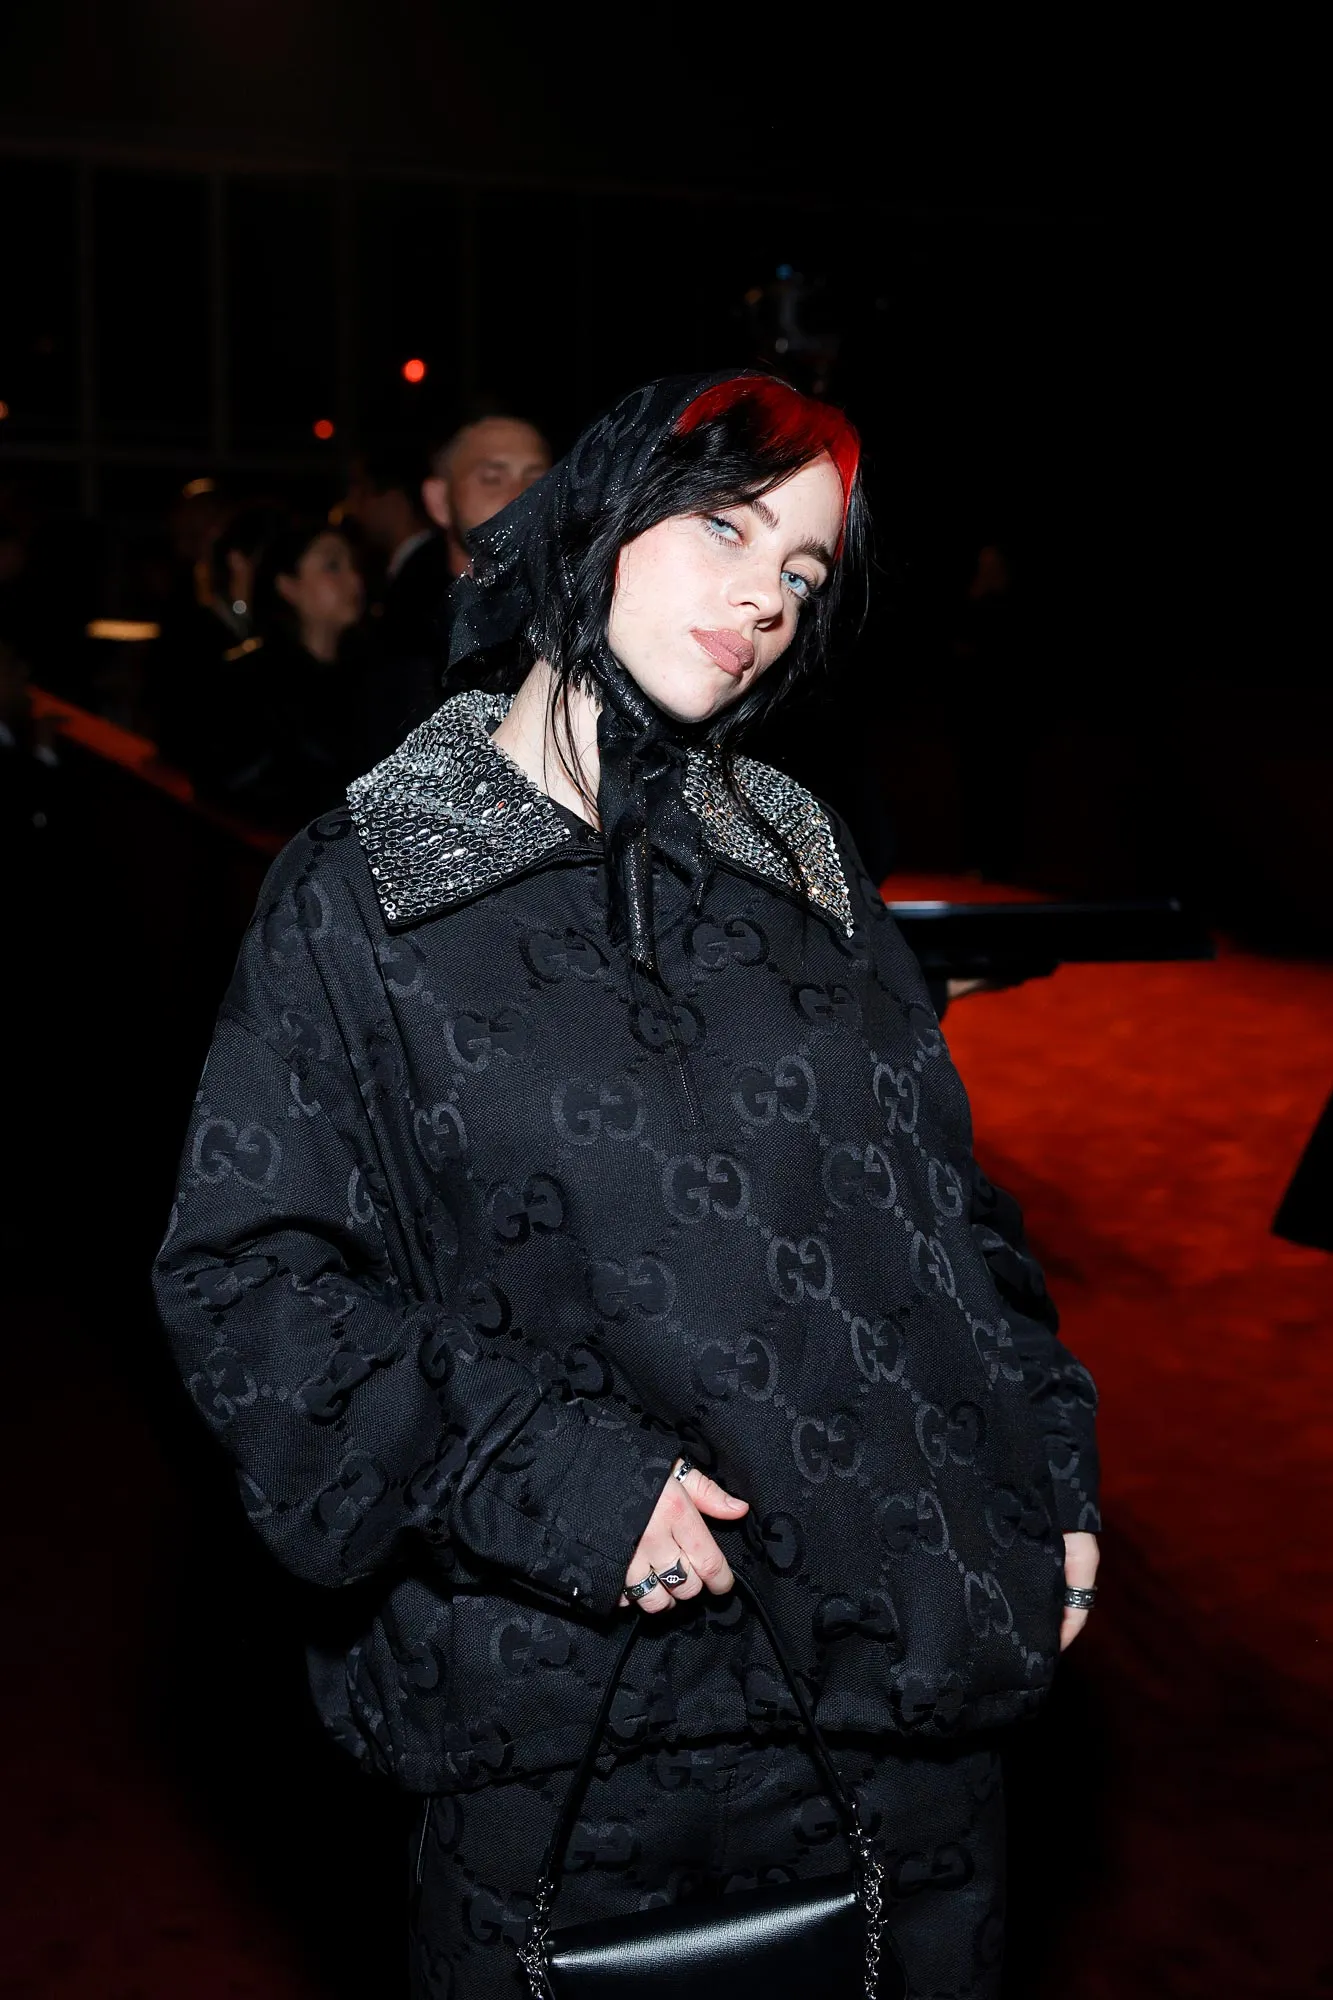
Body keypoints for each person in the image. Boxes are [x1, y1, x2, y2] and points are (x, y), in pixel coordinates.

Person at [153, 374, 1100, 2000]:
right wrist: (558, 1485)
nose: (764, 597)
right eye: (725, 527)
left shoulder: (793, 842)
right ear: (593, 516)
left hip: (908, 1674)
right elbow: (251, 1291)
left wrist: (1052, 1467)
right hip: (579, 1708)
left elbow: (950, 1218)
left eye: (800, 569)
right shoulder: (372, 877)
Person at [197, 520, 368, 829]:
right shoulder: (249, 680)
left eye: (353, 565)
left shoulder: (372, 674)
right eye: (332, 566)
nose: (354, 580)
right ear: (288, 585)